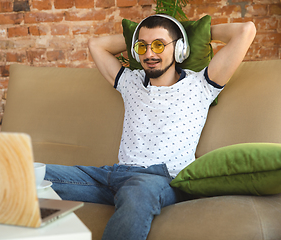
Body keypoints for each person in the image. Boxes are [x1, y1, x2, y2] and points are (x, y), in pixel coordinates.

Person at [45, 14, 256, 240]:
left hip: (160, 179)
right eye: (142, 47)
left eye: (158, 45)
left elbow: (246, 30)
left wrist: (188, 33)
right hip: (112, 177)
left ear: (180, 49)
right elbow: (96, 45)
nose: (149, 54)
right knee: (27, 173)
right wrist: (142, 38)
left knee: (137, 192)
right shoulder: (130, 82)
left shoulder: (202, 84)